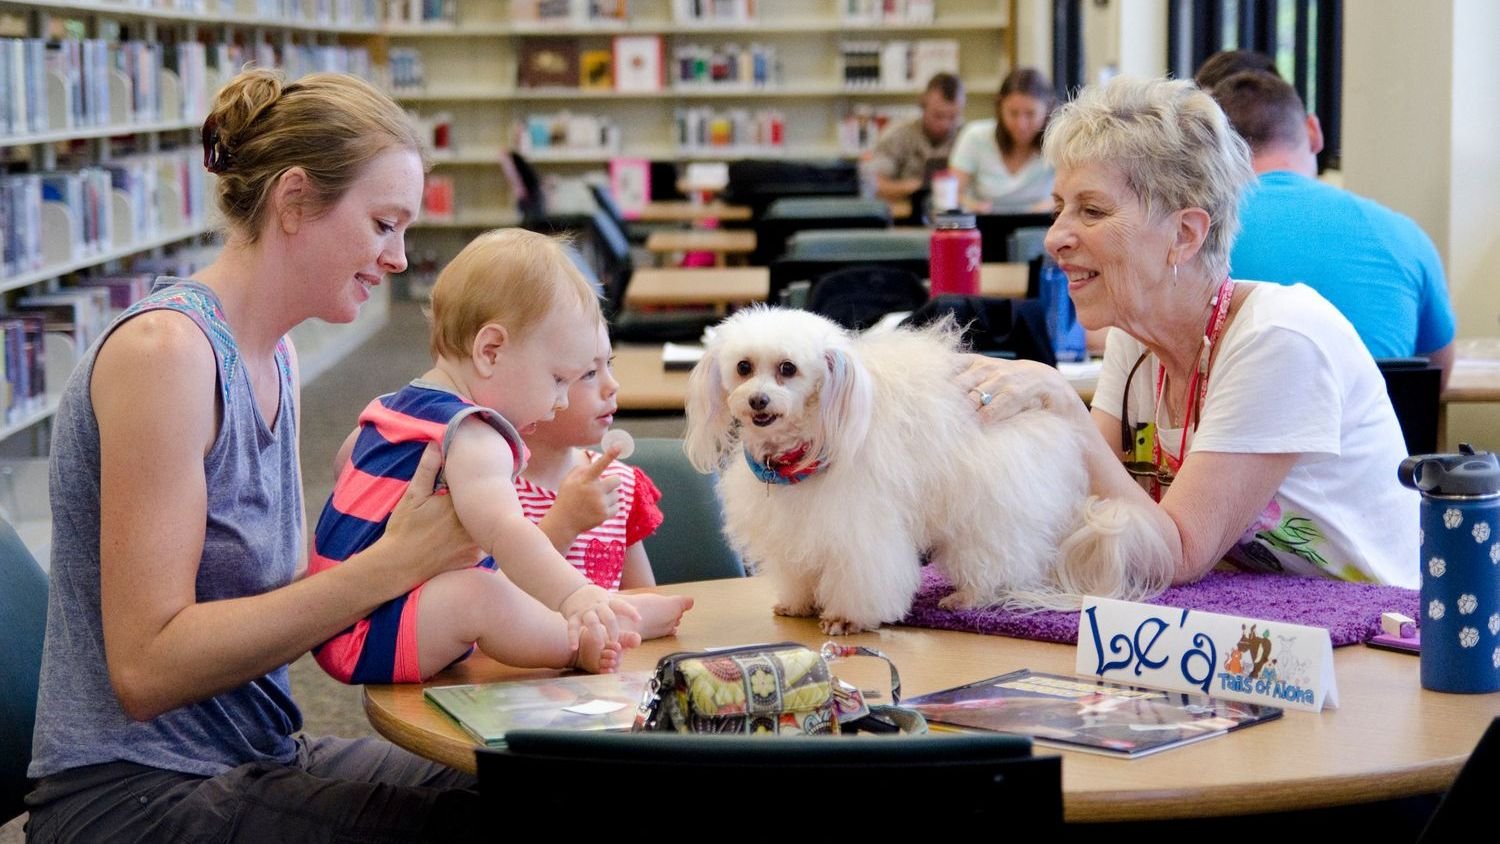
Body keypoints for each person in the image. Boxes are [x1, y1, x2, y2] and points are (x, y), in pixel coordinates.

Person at [27, 69, 485, 841]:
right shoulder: (166, 354)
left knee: (526, 787)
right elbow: (147, 669)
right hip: (131, 796)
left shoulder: (273, 357)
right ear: (296, 199)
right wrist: (388, 567)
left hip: (255, 754)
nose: (401, 258)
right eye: (383, 224)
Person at [957, 75, 1418, 589]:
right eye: (1060, 207)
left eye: (1091, 210)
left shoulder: (1279, 338)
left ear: (1184, 234)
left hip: (1377, 639)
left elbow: (1175, 555)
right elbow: (1077, 506)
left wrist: (1063, 407)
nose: (1055, 236)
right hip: (1254, 621)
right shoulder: (1135, 336)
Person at [312, 229, 694, 686]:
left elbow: (345, 464)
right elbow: (509, 534)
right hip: (369, 633)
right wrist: (574, 594)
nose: (558, 401)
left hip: (335, 614)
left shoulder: (394, 405)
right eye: (556, 379)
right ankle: (579, 638)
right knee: (483, 591)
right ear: (490, 351)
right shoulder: (476, 434)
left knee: (485, 583)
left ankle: (614, 613)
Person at [1209, 70, 1457, 386]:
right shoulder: (1404, 235)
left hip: (1236, 430)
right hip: (1377, 433)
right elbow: (1436, 377)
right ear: (1313, 131)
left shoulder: (1195, 239)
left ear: (1214, 150)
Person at [518, 321, 679, 609]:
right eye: (590, 373)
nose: (612, 385)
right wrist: (563, 524)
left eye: (609, 364)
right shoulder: (487, 494)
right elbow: (498, 610)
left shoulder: (616, 483)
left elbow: (645, 606)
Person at [949, 67, 1056, 213]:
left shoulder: (1057, 142)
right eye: (1013, 113)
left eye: (1030, 114)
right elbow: (950, 194)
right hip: (984, 226)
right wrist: (974, 206)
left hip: (1039, 229)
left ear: (1047, 110)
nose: (1021, 124)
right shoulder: (975, 136)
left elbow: (1072, 196)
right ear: (1000, 108)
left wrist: (1052, 205)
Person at [870, 72, 966, 205]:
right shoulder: (898, 134)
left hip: (955, 217)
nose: (945, 124)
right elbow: (874, 184)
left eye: (953, 117)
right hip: (905, 216)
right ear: (923, 105)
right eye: (938, 115)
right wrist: (913, 187)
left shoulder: (967, 137)